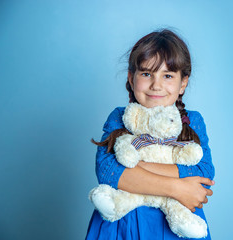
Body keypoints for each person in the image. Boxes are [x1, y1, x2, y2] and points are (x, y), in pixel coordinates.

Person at [85, 28, 215, 240]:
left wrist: (133, 170)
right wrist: (178, 188)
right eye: (147, 74)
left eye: (168, 75)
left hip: (174, 228)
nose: (156, 85)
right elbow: (107, 172)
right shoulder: (120, 117)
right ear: (131, 77)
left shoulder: (192, 121)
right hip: (121, 226)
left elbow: (204, 172)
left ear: (183, 83)